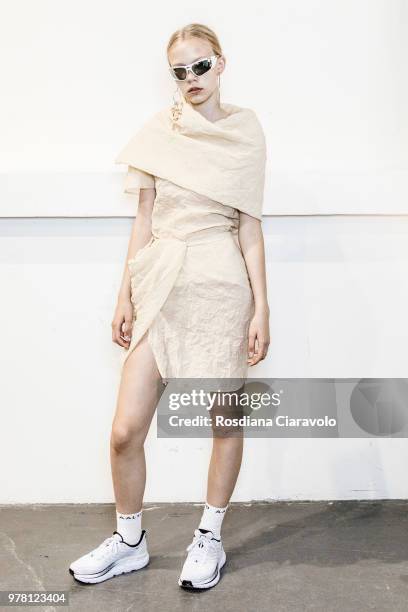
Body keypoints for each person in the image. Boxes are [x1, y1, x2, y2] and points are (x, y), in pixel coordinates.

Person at [69, 22, 270, 590]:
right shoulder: (158, 132)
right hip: (160, 278)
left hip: (221, 283)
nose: (191, 80)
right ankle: (130, 540)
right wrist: (124, 294)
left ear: (221, 63)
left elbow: (251, 227)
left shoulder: (246, 132)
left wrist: (262, 308)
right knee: (125, 431)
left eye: (200, 66)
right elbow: (144, 218)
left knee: (223, 419)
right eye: (180, 72)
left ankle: (209, 536)